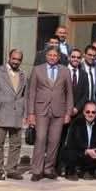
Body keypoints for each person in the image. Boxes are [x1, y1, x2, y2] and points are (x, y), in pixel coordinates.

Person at [26, 46, 72, 181]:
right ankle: (36, 170)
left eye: (55, 55)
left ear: (59, 57)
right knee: (40, 139)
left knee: (54, 141)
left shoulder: (65, 71)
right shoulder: (37, 69)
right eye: (50, 55)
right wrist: (31, 113)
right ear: (46, 56)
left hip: (59, 111)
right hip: (41, 110)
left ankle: (48, 168)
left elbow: (69, 93)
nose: (52, 57)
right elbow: (31, 92)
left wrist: (68, 113)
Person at [0, 49, 26, 180]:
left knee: (16, 144)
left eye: (18, 59)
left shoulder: (23, 74)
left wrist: (25, 114)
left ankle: (11, 169)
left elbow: (25, 95)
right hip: (1, 114)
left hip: (17, 114)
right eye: (14, 58)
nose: (16, 61)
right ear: (9, 58)